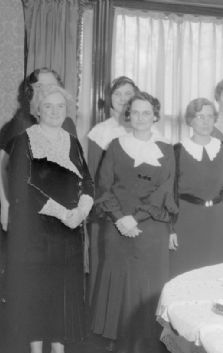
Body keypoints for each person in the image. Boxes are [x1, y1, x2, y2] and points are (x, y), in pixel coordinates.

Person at [5, 84, 94, 353]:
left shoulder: (72, 141)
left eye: (60, 107)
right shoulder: (23, 141)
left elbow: (88, 183)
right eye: (48, 107)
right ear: (37, 110)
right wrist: (62, 212)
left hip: (69, 230)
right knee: (37, 290)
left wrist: (81, 211)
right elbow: (22, 188)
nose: (55, 112)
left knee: (64, 291)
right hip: (36, 229)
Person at [91, 92, 178, 353]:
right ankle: (122, 344)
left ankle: (141, 342)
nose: (141, 117)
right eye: (136, 112)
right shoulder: (116, 146)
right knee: (121, 284)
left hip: (150, 228)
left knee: (146, 287)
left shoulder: (167, 150)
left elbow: (165, 191)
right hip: (118, 228)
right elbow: (104, 187)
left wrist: (135, 218)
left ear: (155, 116)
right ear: (128, 115)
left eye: (146, 112)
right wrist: (119, 218)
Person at [0, 68, 77, 232]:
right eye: (41, 86)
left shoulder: (67, 122)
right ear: (31, 89)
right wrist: (5, 206)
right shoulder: (20, 123)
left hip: (63, 208)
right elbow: (2, 168)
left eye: (52, 85)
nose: (47, 90)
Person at [85, 76, 138, 315]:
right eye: (118, 94)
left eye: (129, 94)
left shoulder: (146, 129)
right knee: (106, 268)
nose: (124, 99)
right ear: (110, 100)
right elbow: (96, 180)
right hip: (108, 212)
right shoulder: (100, 132)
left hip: (138, 212)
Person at [171, 98, 223, 276]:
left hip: (217, 221)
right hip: (186, 221)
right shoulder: (177, 150)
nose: (205, 121)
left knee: (216, 273)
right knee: (185, 272)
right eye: (199, 116)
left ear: (215, 119)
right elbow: (169, 193)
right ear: (190, 120)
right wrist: (170, 229)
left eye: (209, 116)